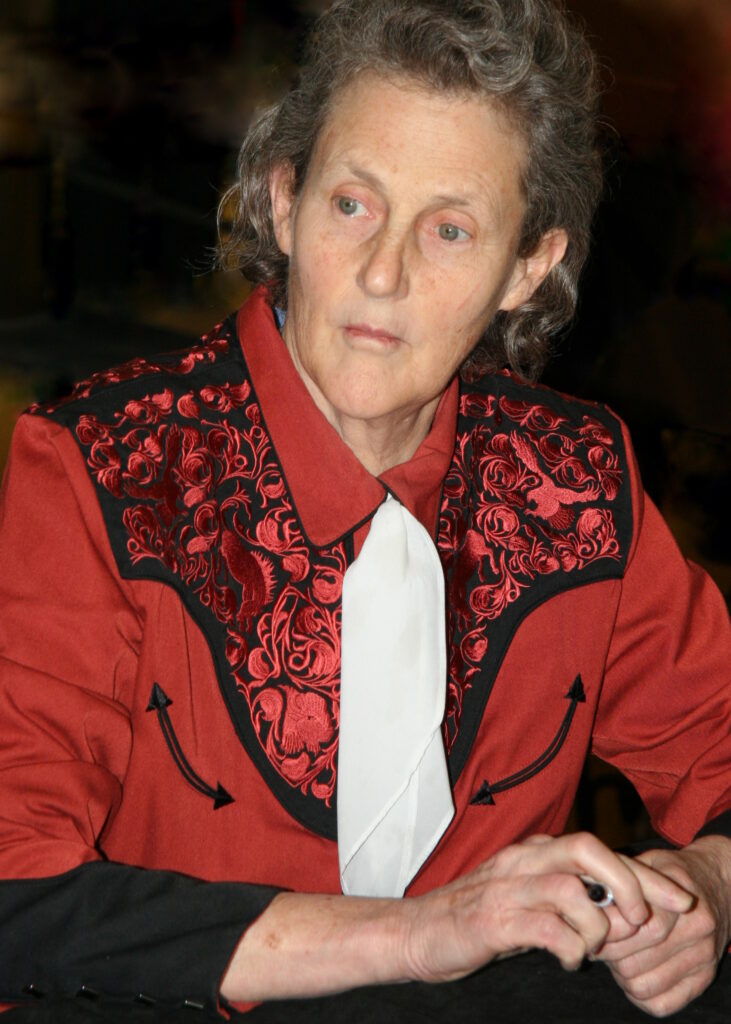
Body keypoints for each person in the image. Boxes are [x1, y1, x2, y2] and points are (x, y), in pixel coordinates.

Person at [0, 0, 729, 1019]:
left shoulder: (574, 478)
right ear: (283, 197)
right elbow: (16, 895)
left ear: (528, 266)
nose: (382, 273)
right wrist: (419, 933)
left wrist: (706, 890)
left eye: (448, 229)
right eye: (352, 204)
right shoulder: (102, 469)